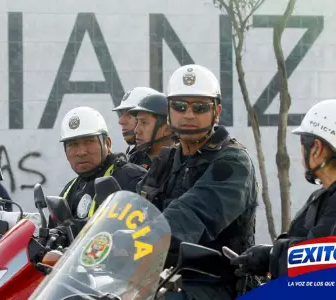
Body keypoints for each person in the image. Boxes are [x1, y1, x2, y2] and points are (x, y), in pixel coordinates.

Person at [138, 64, 258, 300]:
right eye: (180, 106)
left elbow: (190, 216)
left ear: (217, 111)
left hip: (219, 283)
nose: (189, 114)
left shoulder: (233, 162)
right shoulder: (166, 159)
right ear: (170, 111)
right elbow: (138, 210)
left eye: (200, 107)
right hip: (167, 276)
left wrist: (137, 241)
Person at [231, 99, 336, 281]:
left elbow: (317, 259)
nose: (300, 152)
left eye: (303, 144)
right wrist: (269, 255)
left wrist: (270, 256)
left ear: (316, 149)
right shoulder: (323, 196)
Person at [53, 106, 147, 236]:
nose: (81, 152)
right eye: (73, 144)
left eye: (89, 142)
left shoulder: (133, 179)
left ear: (107, 144)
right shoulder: (68, 191)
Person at [127, 93, 177, 169]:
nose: (136, 130)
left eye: (144, 123)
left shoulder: (182, 164)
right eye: (137, 122)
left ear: (167, 129)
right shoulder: (134, 160)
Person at [112, 86, 160, 160]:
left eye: (130, 113)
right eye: (121, 114)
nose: (121, 121)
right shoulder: (134, 157)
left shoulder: (176, 159)